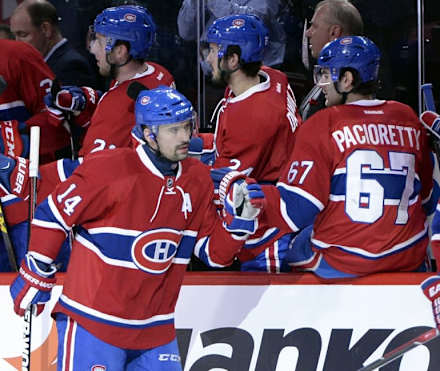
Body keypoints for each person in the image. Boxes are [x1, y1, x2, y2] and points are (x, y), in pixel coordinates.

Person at [3, 86, 264, 370]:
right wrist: (38, 266)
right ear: (148, 134)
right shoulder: (108, 169)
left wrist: (239, 226)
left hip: (155, 331)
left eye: (187, 127)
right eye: (173, 130)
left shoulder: (197, 180)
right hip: (93, 324)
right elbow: (53, 213)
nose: (185, 137)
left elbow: (213, 254)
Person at [225, 36, 436, 278]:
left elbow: (295, 210)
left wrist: (251, 193)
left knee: (294, 242)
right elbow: (428, 197)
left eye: (326, 74)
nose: (321, 84)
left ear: (347, 79)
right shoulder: (407, 116)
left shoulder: (323, 123)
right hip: (406, 258)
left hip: (343, 262)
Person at [0, 0, 70, 272]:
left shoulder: (13, 56)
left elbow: (61, 122)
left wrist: (13, 137)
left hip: (27, 205)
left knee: (46, 296)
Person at [187, 14, 301, 271]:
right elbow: (225, 144)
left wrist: (177, 165)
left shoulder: (252, 117)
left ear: (234, 59)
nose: (208, 58)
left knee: (267, 308)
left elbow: (225, 182)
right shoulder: (272, 78)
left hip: (267, 230)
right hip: (274, 196)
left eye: (214, 50)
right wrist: (186, 144)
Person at [47, 5, 175, 155]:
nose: (93, 49)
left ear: (120, 52)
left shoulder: (116, 107)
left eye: (99, 42)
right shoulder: (158, 73)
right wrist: (88, 102)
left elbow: (90, 170)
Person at [299, 0, 363, 120]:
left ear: (334, 32)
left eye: (314, 26)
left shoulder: (349, 87)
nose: (308, 33)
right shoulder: (330, 73)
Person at [10, 0, 98, 88]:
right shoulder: (39, 64)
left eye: (22, 34)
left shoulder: (71, 67)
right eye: (15, 36)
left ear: (46, 29)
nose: (17, 42)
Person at [177, 0, 287, 69]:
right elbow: (186, 33)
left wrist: (212, 2)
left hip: (251, 77)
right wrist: (193, 4)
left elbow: (254, 22)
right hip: (212, 76)